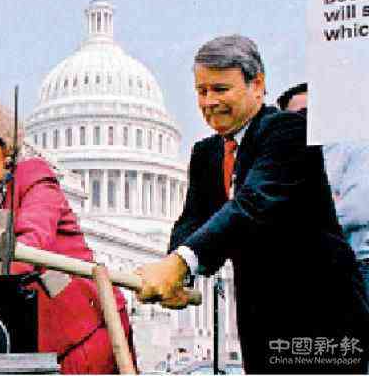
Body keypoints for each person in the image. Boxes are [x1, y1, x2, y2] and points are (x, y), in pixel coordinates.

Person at [136, 35, 369, 373]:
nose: (209, 102)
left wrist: (180, 264)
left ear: (257, 85)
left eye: (221, 89)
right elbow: (193, 221)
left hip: (323, 315)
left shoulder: (290, 131)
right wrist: (180, 277)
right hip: (260, 320)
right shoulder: (206, 154)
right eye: (202, 91)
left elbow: (252, 205)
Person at [0, 95, 134, 374]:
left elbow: (33, 238)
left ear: (5, 148)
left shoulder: (33, 175)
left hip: (84, 330)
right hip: (32, 339)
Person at [277, 82, 369, 298]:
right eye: (298, 115)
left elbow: (357, 210)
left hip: (360, 266)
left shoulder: (356, 148)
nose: (307, 120)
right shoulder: (285, 162)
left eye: (312, 112)